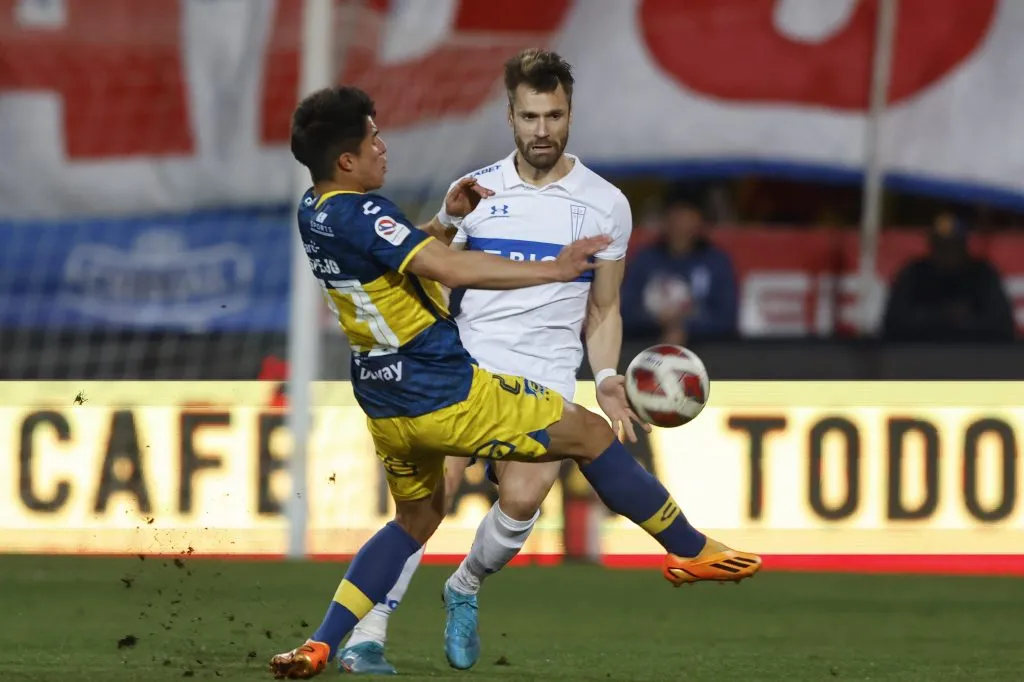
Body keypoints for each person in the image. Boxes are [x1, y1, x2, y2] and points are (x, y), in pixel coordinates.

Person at [269, 85, 761, 681]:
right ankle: (690, 548)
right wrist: (552, 269)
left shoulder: (315, 208)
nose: (383, 145)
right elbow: (445, 266)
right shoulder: (365, 210)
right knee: (592, 436)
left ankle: (321, 643)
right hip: (443, 389)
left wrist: (447, 219)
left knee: (415, 521)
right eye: (373, 137)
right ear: (346, 160)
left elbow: (403, 250)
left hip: (383, 398)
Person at [338, 48, 644, 674]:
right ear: (509, 115)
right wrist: (449, 217)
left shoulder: (607, 203)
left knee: (524, 502)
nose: (542, 131)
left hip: (547, 373)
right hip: (466, 367)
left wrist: (609, 379)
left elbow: (604, 309)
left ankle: (466, 586)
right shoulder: (478, 189)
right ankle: (368, 634)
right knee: (431, 496)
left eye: (553, 116)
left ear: (569, 114)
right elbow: (419, 256)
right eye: (530, 116)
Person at [621, 190, 738, 345]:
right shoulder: (645, 259)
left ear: (700, 221)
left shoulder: (716, 262)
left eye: (687, 216)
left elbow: (726, 319)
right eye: (675, 216)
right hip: (647, 345)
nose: (680, 223)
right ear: (664, 219)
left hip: (705, 350)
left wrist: (685, 326)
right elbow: (624, 311)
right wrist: (656, 320)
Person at [882, 212, 1015, 342]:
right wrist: (940, 316)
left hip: (974, 355)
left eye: (953, 247)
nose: (947, 254)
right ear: (932, 247)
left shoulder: (982, 275)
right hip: (921, 355)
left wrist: (965, 321)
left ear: (963, 246)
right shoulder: (914, 274)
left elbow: (1001, 325)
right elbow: (894, 323)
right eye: (942, 248)